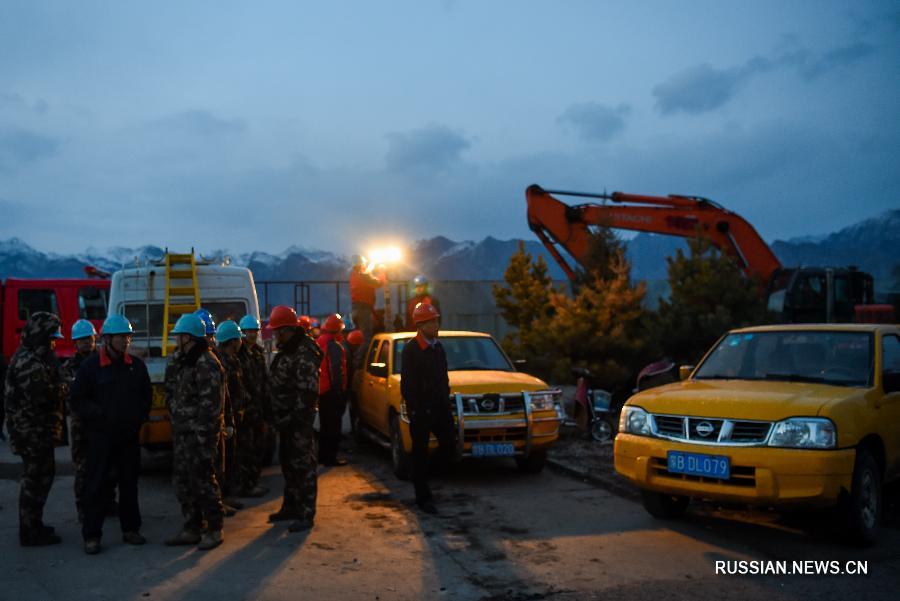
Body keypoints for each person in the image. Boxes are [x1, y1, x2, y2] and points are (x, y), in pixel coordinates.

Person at [70, 315, 151, 555]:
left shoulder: (136, 366)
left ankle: (131, 529)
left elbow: (145, 396)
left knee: (129, 485)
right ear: (107, 339)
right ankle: (92, 535)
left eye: (128, 336)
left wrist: (138, 418)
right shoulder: (90, 368)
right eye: (121, 337)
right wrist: (99, 415)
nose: (126, 341)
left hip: (127, 438)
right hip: (100, 438)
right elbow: (78, 399)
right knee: (96, 486)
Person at [164, 313, 227, 551]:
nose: (175, 340)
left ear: (188, 337)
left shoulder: (207, 363)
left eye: (178, 336)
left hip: (201, 435)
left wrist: (203, 437)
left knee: (203, 481)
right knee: (183, 481)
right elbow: (171, 391)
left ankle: (214, 528)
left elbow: (210, 406)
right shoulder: (180, 360)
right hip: (182, 433)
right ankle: (192, 527)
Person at [4, 312, 66, 546]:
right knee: (35, 480)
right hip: (32, 434)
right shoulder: (29, 362)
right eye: (51, 338)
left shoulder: (32, 357)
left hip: (35, 432)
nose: (54, 343)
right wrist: (66, 386)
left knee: (42, 477)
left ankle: (34, 524)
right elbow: (44, 396)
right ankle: (29, 530)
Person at [267, 305, 322, 533]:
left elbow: (307, 393)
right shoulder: (289, 349)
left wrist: (294, 419)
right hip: (286, 421)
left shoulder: (303, 352)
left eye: (279, 331)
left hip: (298, 422)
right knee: (288, 465)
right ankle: (290, 506)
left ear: (289, 330)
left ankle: (306, 513)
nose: (276, 335)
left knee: (303, 466)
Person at [399, 302, 455, 515]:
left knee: (449, 445)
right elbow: (408, 385)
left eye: (437, 320)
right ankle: (423, 497)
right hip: (422, 412)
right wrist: (417, 409)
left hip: (441, 409)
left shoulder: (438, 347)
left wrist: (445, 401)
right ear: (421, 325)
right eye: (432, 322)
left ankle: (421, 474)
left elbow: (443, 378)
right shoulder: (412, 350)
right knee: (420, 453)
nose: (436, 325)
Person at [195, 308, 240, 515]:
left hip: (216, 424)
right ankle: (208, 513)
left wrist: (228, 420)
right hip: (200, 428)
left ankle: (219, 503)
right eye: (207, 336)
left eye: (212, 336)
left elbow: (225, 395)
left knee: (219, 468)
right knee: (203, 472)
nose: (210, 340)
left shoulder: (213, 360)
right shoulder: (192, 363)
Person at [60, 319, 99, 523]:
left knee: (106, 467)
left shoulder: (104, 362)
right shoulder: (68, 367)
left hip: (102, 424)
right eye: (81, 340)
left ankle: (107, 503)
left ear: (95, 339)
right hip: (81, 426)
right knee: (83, 469)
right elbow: (70, 398)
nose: (85, 343)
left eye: (88, 339)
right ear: (75, 343)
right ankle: (83, 509)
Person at [236, 314, 269, 497]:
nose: (251, 335)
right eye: (248, 331)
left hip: (258, 409)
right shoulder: (238, 354)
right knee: (245, 450)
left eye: (254, 331)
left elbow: (263, 379)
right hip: (245, 411)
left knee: (257, 448)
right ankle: (245, 484)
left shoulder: (257, 352)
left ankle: (253, 482)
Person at [215, 320, 248, 508]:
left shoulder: (233, 360)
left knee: (231, 459)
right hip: (225, 419)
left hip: (235, 417)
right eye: (238, 339)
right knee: (222, 462)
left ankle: (227, 497)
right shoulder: (221, 362)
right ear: (232, 341)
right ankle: (221, 500)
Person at [316, 314, 348, 466]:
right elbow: (336, 369)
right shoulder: (334, 346)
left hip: (322, 391)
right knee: (334, 427)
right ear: (337, 330)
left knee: (325, 426)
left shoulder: (320, 342)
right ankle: (331, 458)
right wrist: (339, 390)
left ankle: (323, 456)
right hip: (332, 392)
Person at [349, 255, 384, 363]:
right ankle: (358, 362)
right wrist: (382, 272)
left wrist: (372, 267)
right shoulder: (364, 275)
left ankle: (358, 359)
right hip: (363, 310)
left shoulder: (354, 275)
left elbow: (367, 276)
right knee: (367, 339)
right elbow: (378, 283)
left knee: (360, 337)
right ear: (362, 264)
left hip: (356, 309)